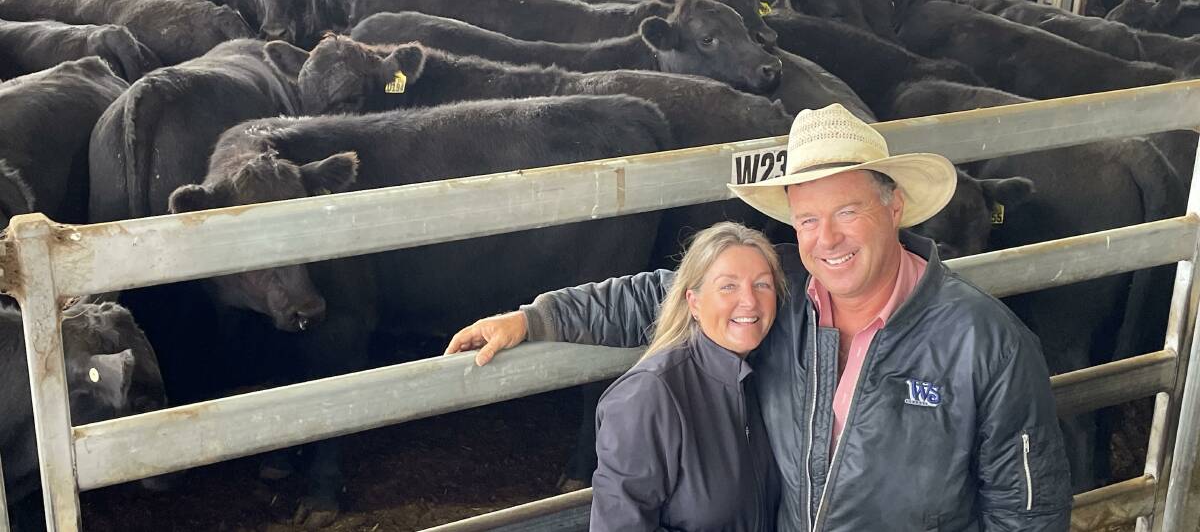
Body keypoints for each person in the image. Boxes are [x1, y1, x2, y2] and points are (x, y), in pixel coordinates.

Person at [446, 103, 1072, 531]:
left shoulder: (985, 342)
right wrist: (535, 318)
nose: (827, 239)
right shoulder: (779, 298)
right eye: (806, 219)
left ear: (895, 207)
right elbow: (667, 292)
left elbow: (1028, 511)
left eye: (847, 211)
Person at [590, 221, 785, 531]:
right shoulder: (648, 396)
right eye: (728, 286)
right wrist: (532, 318)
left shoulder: (763, 379)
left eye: (762, 284)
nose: (749, 300)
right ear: (694, 302)